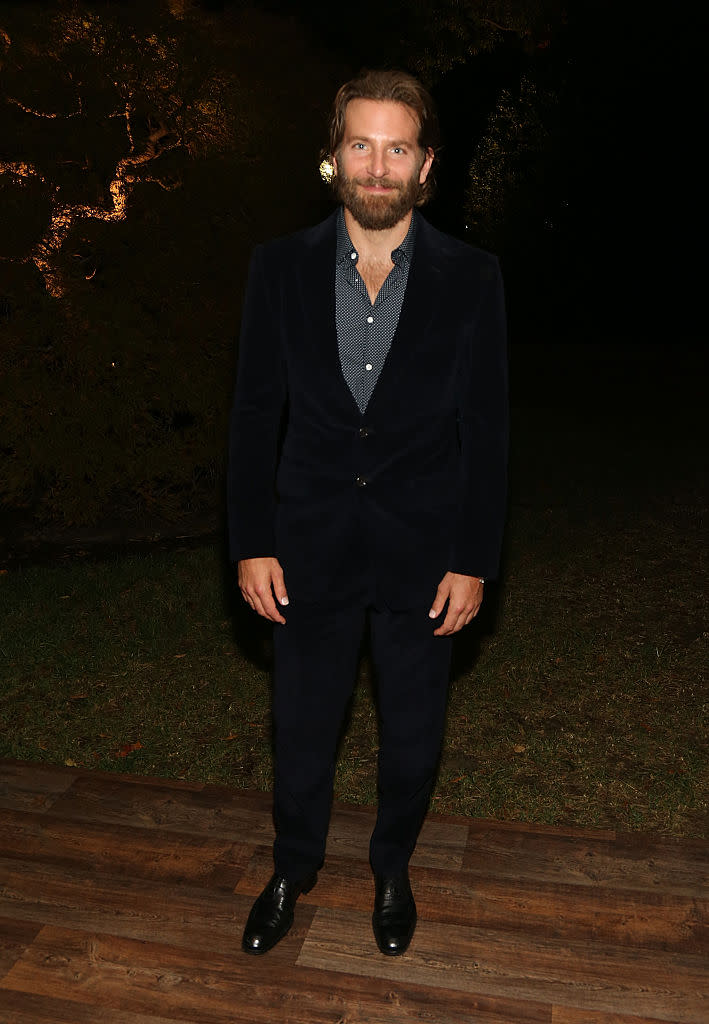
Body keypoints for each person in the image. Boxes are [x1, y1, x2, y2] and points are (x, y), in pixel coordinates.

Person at [228, 69, 508, 957]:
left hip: (424, 552)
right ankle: (292, 868)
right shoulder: (279, 267)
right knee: (302, 724)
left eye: (397, 148)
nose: (377, 166)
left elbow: (487, 428)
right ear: (332, 156)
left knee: (414, 733)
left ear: (426, 166)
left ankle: (392, 868)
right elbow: (251, 414)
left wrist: (473, 556)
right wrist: (251, 541)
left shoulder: (472, 277)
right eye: (361, 144)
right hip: (305, 546)